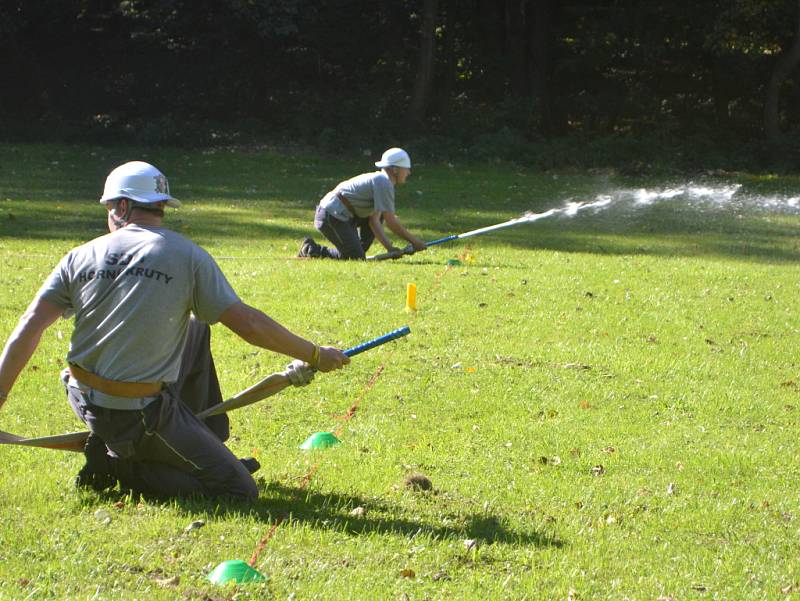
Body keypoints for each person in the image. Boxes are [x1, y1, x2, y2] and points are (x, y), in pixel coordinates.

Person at [0, 161, 350, 500]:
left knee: (196, 328)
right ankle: (114, 464)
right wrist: (315, 354)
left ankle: (202, 442)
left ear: (121, 206)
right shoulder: (187, 256)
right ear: (159, 206)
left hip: (80, 394)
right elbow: (249, 324)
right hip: (139, 414)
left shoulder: (79, 255)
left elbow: (29, 327)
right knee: (237, 489)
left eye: (109, 208)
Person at [297, 147, 427, 260]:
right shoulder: (384, 182)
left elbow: (374, 220)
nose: (408, 172)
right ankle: (311, 249)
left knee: (358, 250)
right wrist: (415, 242)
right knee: (355, 257)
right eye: (406, 169)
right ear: (395, 169)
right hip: (331, 216)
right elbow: (391, 222)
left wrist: (390, 248)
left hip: (344, 216)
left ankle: (354, 249)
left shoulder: (382, 181)